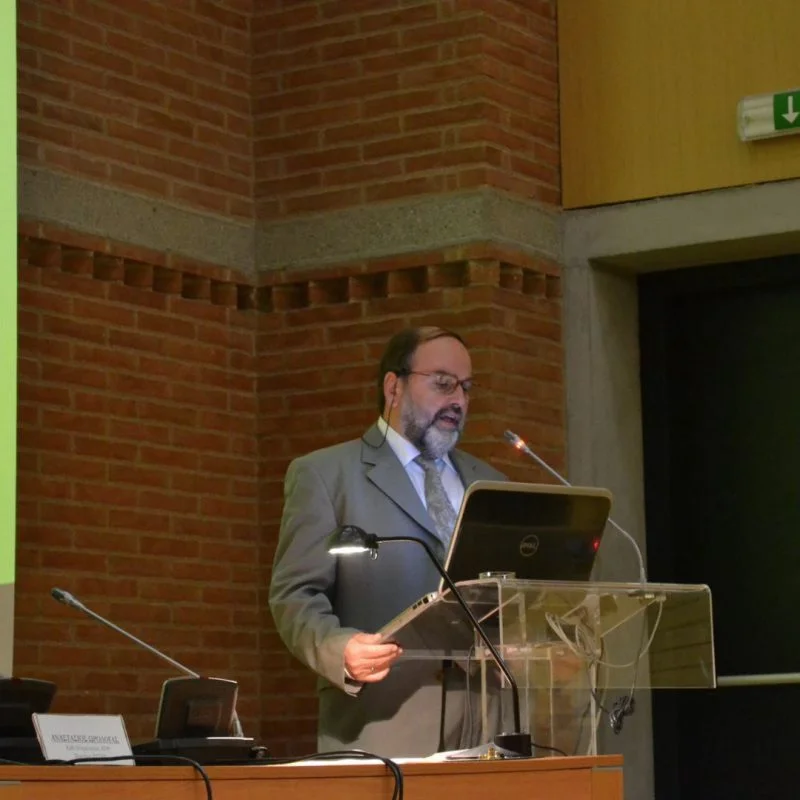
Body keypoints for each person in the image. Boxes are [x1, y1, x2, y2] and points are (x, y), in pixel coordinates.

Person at [268, 326, 506, 757]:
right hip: (384, 727)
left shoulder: (490, 483)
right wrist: (338, 649)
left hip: (488, 728)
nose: (458, 400)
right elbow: (294, 595)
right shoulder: (326, 474)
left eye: (466, 388)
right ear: (393, 387)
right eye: (443, 383)